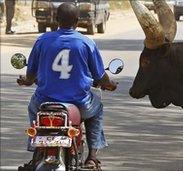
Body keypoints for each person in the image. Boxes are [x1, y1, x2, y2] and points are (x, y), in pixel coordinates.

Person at [17, 2, 117, 169]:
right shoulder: (86, 43)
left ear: (56, 19)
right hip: (79, 102)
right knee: (97, 109)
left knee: (32, 107)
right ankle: (92, 156)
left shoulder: (42, 40)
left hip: (44, 102)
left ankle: (35, 149)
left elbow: (31, 73)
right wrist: (109, 84)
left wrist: (27, 81)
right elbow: (100, 76)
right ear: (77, 21)